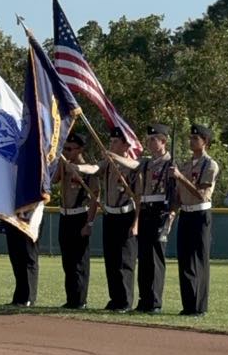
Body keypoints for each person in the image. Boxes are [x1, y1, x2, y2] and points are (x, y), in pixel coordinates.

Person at [82, 127, 142, 313]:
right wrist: (77, 167)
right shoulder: (107, 164)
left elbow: (138, 195)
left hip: (126, 214)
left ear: (125, 145)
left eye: (116, 142)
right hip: (110, 214)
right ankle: (114, 299)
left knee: (125, 260)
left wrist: (136, 223)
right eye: (111, 141)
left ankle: (125, 301)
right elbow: (94, 168)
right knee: (111, 259)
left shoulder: (133, 165)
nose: (111, 144)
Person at [170, 123, 219, 317]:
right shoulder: (186, 164)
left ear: (204, 142)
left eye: (195, 138)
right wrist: (173, 211)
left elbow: (202, 194)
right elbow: (179, 193)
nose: (191, 141)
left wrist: (180, 177)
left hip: (200, 213)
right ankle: (188, 304)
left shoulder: (210, 165)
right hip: (186, 213)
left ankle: (200, 305)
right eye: (190, 138)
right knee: (185, 260)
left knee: (199, 259)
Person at [135, 123, 176, 313]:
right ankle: (144, 300)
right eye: (148, 139)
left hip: (161, 210)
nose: (150, 143)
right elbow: (133, 165)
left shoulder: (171, 164)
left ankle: (155, 301)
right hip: (145, 209)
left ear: (163, 141)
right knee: (143, 257)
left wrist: (171, 215)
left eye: (154, 139)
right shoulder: (146, 163)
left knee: (155, 258)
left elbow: (175, 193)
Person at [53, 131, 93, 308]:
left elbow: (95, 198)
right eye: (65, 149)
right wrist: (61, 164)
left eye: (70, 149)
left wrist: (89, 223)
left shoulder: (88, 170)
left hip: (79, 216)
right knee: (67, 261)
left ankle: (80, 300)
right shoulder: (65, 166)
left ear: (80, 149)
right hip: (65, 215)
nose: (67, 152)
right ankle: (71, 298)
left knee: (79, 261)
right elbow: (54, 180)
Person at [0, 212, 40, 306]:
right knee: (16, 259)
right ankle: (19, 297)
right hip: (12, 218)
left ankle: (28, 298)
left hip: (29, 217)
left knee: (28, 258)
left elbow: (42, 198)